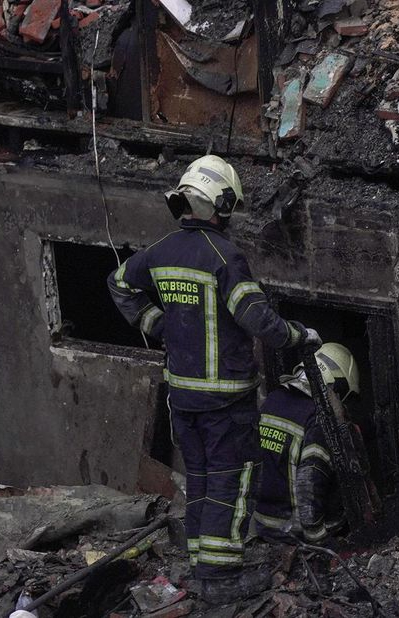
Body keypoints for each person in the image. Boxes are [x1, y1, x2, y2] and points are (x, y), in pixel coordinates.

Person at [108, 155, 318, 603]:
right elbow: (257, 319)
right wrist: (299, 334)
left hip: (182, 398)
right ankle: (220, 581)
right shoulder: (225, 256)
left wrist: (154, 323)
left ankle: (201, 563)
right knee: (232, 480)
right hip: (226, 400)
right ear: (221, 204)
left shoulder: (161, 251)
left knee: (201, 478)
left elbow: (119, 282)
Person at [254, 343, 358, 544]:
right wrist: (318, 540)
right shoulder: (319, 420)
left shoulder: (273, 399)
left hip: (261, 522)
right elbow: (308, 483)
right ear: (336, 386)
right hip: (292, 531)